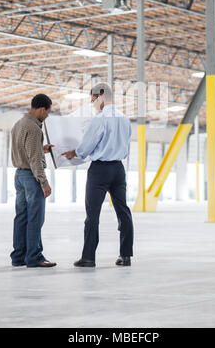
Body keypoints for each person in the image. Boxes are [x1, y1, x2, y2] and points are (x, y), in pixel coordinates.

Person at [63, 82, 134, 268]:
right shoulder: (125, 119)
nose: (92, 103)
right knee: (123, 212)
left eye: (93, 99)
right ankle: (125, 256)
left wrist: (75, 153)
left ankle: (88, 257)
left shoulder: (100, 119)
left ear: (100, 96)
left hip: (100, 170)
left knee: (92, 214)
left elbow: (87, 146)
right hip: (118, 169)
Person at [10, 94, 56, 268]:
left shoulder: (19, 124)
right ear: (42, 109)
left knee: (21, 217)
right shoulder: (34, 128)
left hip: (19, 176)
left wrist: (40, 148)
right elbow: (35, 160)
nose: (47, 116)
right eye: (48, 112)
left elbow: (24, 150)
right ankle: (34, 256)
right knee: (36, 218)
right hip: (31, 177)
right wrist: (44, 183)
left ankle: (18, 256)